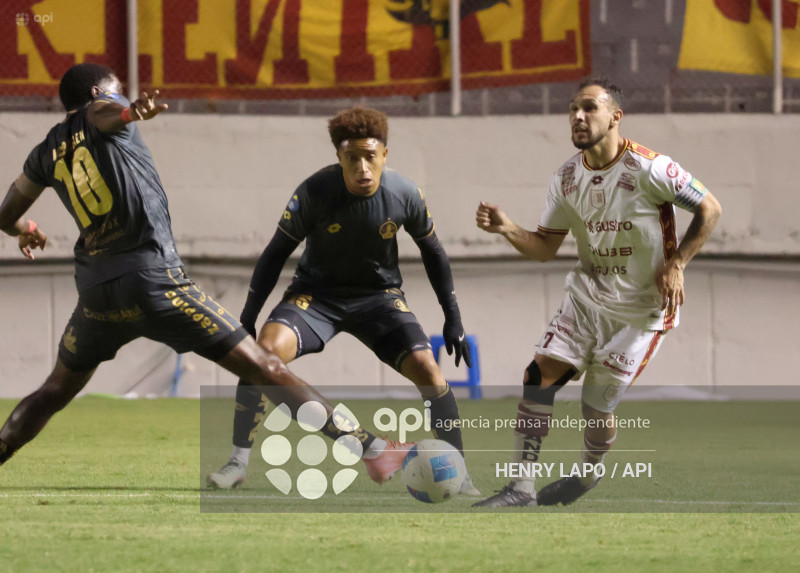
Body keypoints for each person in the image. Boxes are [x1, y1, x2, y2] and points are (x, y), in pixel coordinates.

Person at [0, 63, 411, 485]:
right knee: (265, 368)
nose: (120, 94)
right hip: (154, 282)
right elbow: (105, 114)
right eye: (115, 89)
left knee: (54, 390)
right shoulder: (105, 110)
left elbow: (5, 214)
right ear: (95, 92)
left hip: (97, 297)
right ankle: (372, 450)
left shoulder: (44, 152)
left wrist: (23, 228)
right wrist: (128, 112)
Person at [472, 78, 722, 507]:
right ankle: (519, 489)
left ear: (615, 116)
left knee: (595, 408)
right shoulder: (566, 178)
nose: (578, 116)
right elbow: (545, 248)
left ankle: (587, 475)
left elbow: (710, 208)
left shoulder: (650, 168)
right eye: (573, 108)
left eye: (589, 107)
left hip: (641, 312)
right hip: (586, 299)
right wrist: (508, 228)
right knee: (537, 377)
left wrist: (678, 263)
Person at [206, 106, 480, 495]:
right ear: (339, 157)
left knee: (429, 370)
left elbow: (434, 253)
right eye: (352, 158)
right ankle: (237, 462)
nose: (362, 168)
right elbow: (274, 255)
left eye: (370, 156)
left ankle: (459, 471)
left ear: (384, 154)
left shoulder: (405, 193)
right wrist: (248, 318)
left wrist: (453, 318)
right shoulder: (314, 192)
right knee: (262, 355)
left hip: (380, 299)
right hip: (316, 297)